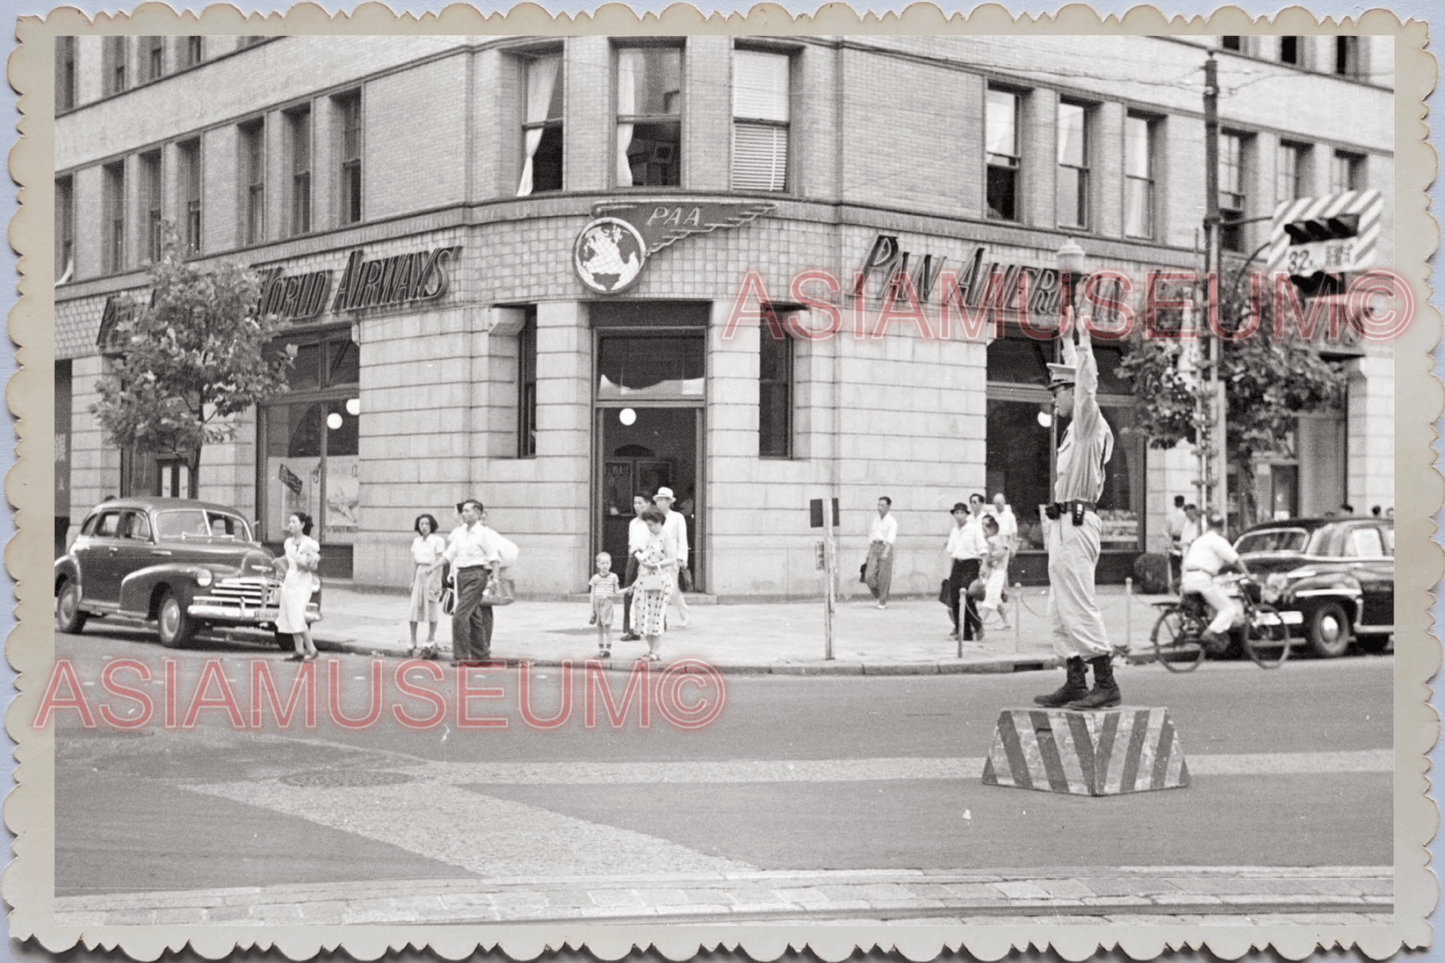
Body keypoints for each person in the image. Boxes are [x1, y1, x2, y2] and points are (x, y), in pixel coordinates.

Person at [1034, 321, 1119, 710]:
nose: (1055, 401)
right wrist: (1067, 340)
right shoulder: (1074, 433)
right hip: (1062, 524)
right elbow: (1076, 378)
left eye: (1058, 393)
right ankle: (1075, 680)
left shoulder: (1088, 424)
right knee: (1059, 609)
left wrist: (1081, 342)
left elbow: (1086, 383)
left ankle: (1106, 681)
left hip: (1078, 523)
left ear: (1072, 391)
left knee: (1079, 604)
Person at [443, 498, 502, 664]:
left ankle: (461, 656)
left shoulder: (484, 534)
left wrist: (495, 580)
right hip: (461, 575)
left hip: (477, 575)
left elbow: (494, 557)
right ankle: (482, 655)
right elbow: (450, 554)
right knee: (473, 617)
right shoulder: (461, 532)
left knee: (460, 616)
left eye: (467, 511)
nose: (463, 514)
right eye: (463, 511)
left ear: (477, 514)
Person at [1180, 513, 1250, 649]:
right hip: (1202, 580)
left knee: (1212, 603)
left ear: (1209, 526)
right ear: (1222, 527)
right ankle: (1210, 632)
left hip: (1188, 579)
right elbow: (1236, 560)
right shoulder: (1218, 541)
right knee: (1229, 609)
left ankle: (1208, 627)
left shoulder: (1199, 540)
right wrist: (1248, 575)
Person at [630, 505, 677, 662]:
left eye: (650, 524)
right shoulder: (650, 537)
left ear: (658, 522)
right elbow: (646, 556)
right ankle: (651, 650)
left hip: (660, 580)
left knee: (656, 615)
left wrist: (655, 564)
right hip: (646, 578)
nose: (648, 528)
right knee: (644, 614)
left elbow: (672, 559)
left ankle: (655, 651)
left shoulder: (666, 536)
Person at [274, 511, 319, 662]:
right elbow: (287, 561)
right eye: (289, 522)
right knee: (289, 613)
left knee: (297, 614)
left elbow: (313, 565)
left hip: (302, 581)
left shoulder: (309, 543)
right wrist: (279, 566)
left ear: (302, 525)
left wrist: (305, 563)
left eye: (294, 522)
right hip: (289, 580)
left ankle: (312, 649)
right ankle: (299, 650)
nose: (290, 525)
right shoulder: (288, 542)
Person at [945, 498, 987, 643]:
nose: (959, 515)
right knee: (956, 600)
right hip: (958, 565)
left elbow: (983, 550)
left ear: (966, 514)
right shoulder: (954, 531)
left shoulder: (974, 529)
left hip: (971, 564)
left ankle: (978, 625)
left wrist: (983, 566)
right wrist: (950, 573)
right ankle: (964, 632)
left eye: (962, 512)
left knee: (967, 597)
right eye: (956, 513)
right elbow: (952, 553)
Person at [406, 513, 446, 658]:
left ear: (432, 525)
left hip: (432, 573)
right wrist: (412, 580)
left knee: (432, 608)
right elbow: (414, 563)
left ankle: (430, 638)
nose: (424, 527)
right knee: (414, 609)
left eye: (427, 524)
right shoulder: (416, 541)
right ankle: (412, 639)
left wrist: (436, 581)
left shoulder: (438, 541)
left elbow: (440, 562)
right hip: (419, 574)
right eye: (421, 524)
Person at [655, 487, 690, 627]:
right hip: (656, 558)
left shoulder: (677, 517)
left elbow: (682, 538)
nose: (661, 503)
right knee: (657, 588)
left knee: (672, 590)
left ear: (670, 502)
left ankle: (683, 611)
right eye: (659, 500)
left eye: (664, 500)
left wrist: (682, 557)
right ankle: (659, 619)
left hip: (671, 558)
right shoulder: (653, 516)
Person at [618, 494, 649, 642]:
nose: (637, 506)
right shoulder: (633, 523)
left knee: (650, 593)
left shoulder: (653, 522)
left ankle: (656, 625)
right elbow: (631, 543)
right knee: (629, 592)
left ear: (648, 504)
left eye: (641, 503)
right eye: (635, 503)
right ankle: (631, 630)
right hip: (633, 558)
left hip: (648, 559)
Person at [978, 514, 1011, 630]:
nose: (984, 527)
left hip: (998, 571)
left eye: (986, 524)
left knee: (990, 596)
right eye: (982, 524)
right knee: (996, 599)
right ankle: (1006, 622)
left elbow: (1004, 551)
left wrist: (992, 558)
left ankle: (980, 623)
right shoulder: (985, 539)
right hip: (991, 572)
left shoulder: (998, 538)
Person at [589, 552, 624, 658]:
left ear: (610, 564)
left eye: (607, 563)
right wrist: (592, 609)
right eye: (602, 563)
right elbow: (592, 593)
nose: (605, 565)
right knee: (599, 628)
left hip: (607, 603)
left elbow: (617, 591)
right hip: (597, 603)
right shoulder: (595, 578)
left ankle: (608, 649)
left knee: (608, 627)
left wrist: (627, 590)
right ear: (598, 565)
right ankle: (601, 649)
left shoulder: (613, 577)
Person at [865, 496, 897, 608]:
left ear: (888, 507)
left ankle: (882, 601)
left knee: (884, 576)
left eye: (882, 505)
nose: (879, 508)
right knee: (869, 576)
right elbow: (871, 536)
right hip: (874, 547)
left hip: (885, 547)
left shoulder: (891, 522)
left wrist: (885, 552)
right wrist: (869, 553)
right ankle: (879, 596)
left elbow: (891, 539)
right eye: (878, 505)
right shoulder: (876, 520)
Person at [1165, 495, 1188, 592]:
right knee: (1184, 563)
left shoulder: (1171, 515)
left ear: (1175, 504)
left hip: (1174, 540)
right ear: (1183, 504)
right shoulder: (1186, 515)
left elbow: (1167, 531)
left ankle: (1176, 585)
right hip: (1184, 540)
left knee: (1175, 564)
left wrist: (1169, 543)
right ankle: (1183, 584)